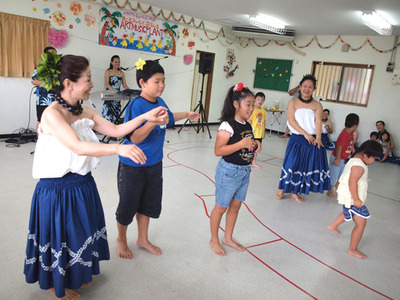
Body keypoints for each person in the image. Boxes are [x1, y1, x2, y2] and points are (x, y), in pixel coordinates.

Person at [24, 53, 168, 299]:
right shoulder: (52, 114)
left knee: (78, 234)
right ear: (69, 83)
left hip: (82, 185)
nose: (92, 84)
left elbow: (115, 130)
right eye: (88, 79)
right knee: (62, 236)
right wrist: (118, 148)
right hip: (57, 189)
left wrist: (146, 117)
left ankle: (76, 276)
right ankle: (55, 286)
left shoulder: (84, 110)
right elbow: (78, 147)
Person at [115, 59, 200, 259]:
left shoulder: (160, 102)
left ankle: (142, 239)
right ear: (142, 83)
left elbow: (168, 117)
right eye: (157, 81)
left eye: (163, 81)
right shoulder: (136, 105)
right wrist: (151, 122)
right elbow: (134, 137)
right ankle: (121, 239)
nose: (161, 85)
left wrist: (187, 113)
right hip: (133, 166)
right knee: (128, 205)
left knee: (148, 204)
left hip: (154, 165)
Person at [209, 83, 259, 256]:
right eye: (249, 104)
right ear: (236, 104)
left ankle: (227, 237)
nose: (252, 108)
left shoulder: (247, 124)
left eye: (253, 104)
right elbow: (218, 150)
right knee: (221, 207)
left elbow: (246, 144)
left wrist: (254, 144)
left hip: (245, 172)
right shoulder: (227, 125)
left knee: (236, 207)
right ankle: (214, 239)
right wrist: (241, 144)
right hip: (229, 171)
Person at [275, 74, 330, 203]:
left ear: (314, 89)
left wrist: (319, 138)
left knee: (303, 167)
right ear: (300, 87)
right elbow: (291, 121)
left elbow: (318, 122)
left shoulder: (317, 105)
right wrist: (305, 134)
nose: (307, 89)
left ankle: (295, 192)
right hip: (297, 139)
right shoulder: (293, 102)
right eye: (304, 86)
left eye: (310, 87)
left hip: (312, 140)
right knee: (291, 164)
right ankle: (282, 189)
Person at [328, 140, 383, 259]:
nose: (374, 161)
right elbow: (352, 182)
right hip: (353, 198)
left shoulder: (354, 159)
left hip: (348, 198)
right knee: (361, 222)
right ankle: (352, 249)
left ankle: (333, 225)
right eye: (374, 158)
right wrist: (356, 199)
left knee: (348, 212)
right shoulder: (359, 166)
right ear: (367, 154)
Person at [327, 113, 359, 198]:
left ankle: (338, 187)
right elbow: (339, 147)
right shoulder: (344, 134)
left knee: (341, 174)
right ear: (355, 125)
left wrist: (352, 149)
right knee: (334, 175)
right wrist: (337, 159)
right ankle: (330, 191)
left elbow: (350, 142)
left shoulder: (350, 132)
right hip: (338, 158)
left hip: (344, 158)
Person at [31, 46, 57, 129]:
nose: (53, 54)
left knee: (56, 120)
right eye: (50, 53)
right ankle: (41, 140)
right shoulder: (40, 67)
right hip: (43, 100)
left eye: (54, 53)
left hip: (57, 100)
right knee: (41, 120)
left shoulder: (59, 68)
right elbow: (34, 81)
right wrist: (49, 85)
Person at [102, 55, 130, 124]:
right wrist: (114, 92)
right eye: (115, 62)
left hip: (117, 96)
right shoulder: (108, 71)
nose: (117, 63)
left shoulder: (122, 73)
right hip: (109, 95)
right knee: (108, 113)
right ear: (111, 62)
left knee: (116, 114)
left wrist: (130, 91)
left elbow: (125, 85)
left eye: (118, 62)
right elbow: (107, 84)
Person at [249, 91, 267, 168]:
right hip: (253, 133)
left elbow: (264, 121)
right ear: (255, 100)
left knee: (256, 149)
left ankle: (253, 162)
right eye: (258, 99)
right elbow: (249, 121)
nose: (260, 101)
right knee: (250, 148)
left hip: (259, 133)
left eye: (262, 100)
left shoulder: (263, 111)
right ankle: (247, 161)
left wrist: (263, 133)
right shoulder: (252, 110)